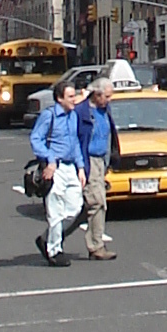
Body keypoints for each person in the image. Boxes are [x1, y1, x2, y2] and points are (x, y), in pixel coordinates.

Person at [30, 75, 86, 266]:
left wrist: (81, 168)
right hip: (56, 169)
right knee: (55, 211)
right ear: (59, 98)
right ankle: (54, 251)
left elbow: (75, 142)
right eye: (70, 96)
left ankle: (47, 239)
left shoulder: (73, 116)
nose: (74, 99)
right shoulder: (50, 115)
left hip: (71, 167)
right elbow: (36, 139)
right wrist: (50, 160)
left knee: (74, 209)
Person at [76, 75, 117, 261]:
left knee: (95, 203)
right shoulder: (82, 112)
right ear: (97, 94)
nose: (109, 100)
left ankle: (95, 243)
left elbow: (109, 135)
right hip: (89, 160)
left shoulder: (105, 110)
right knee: (96, 202)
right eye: (107, 96)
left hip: (101, 160)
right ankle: (96, 246)